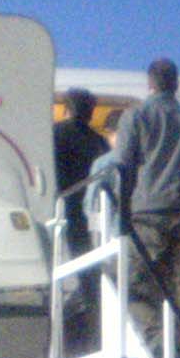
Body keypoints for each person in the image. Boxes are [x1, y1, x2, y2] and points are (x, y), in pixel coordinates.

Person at [113, 58, 180, 344]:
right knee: (177, 291)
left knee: (130, 286)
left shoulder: (135, 117)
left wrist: (119, 221)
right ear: (176, 84)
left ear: (150, 84)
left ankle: (158, 341)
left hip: (148, 216)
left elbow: (122, 169)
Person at [52, 88, 108, 260]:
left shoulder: (52, 133)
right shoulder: (98, 141)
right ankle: (88, 285)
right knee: (83, 252)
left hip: (58, 200)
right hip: (87, 204)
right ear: (90, 114)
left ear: (65, 110)